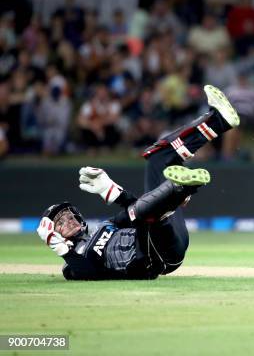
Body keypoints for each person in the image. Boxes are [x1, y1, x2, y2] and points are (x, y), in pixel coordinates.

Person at [36, 85, 239, 280]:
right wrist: (60, 247)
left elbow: (134, 207)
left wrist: (111, 191)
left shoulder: (104, 226)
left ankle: (219, 121)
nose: (68, 220)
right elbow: (87, 273)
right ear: (52, 234)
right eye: (60, 222)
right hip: (155, 259)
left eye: (69, 215)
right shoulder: (72, 266)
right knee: (142, 213)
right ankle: (179, 189)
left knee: (156, 158)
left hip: (167, 233)